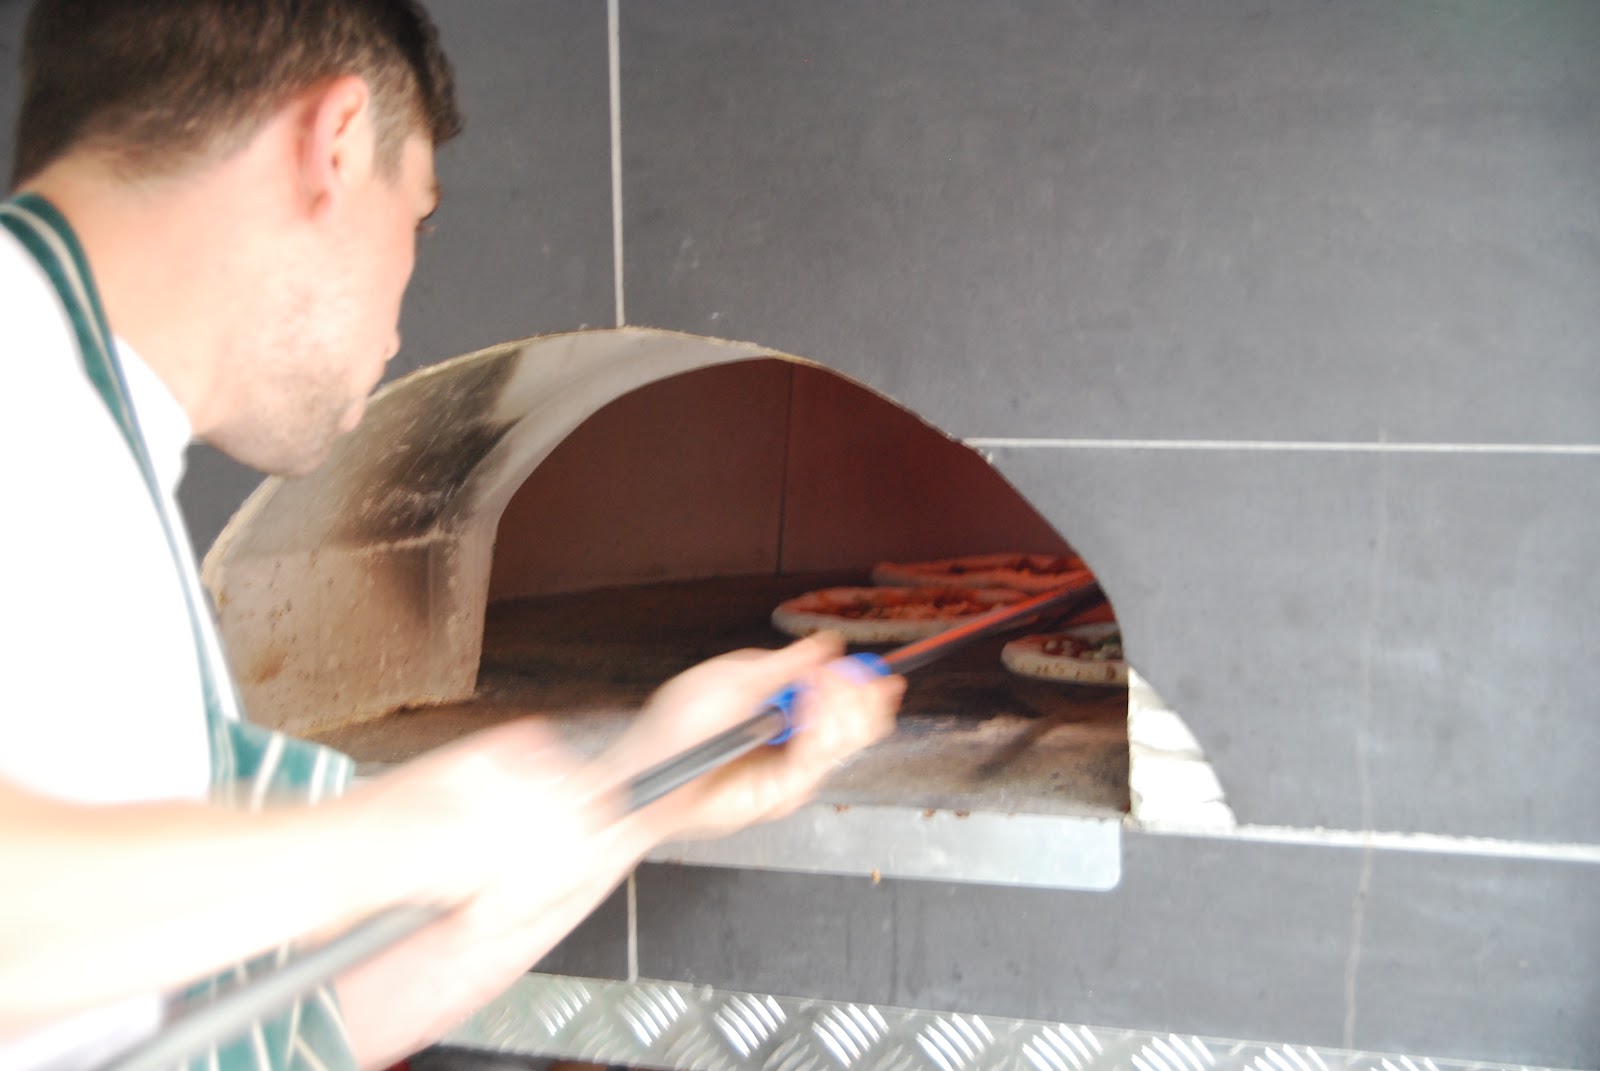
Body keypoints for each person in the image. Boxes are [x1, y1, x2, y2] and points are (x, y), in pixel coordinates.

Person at [0, 2, 905, 1069]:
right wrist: (386, 839)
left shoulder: (81, 429)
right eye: (417, 219)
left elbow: (270, 1023)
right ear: (336, 144)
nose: (399, 318)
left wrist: (640, 784)